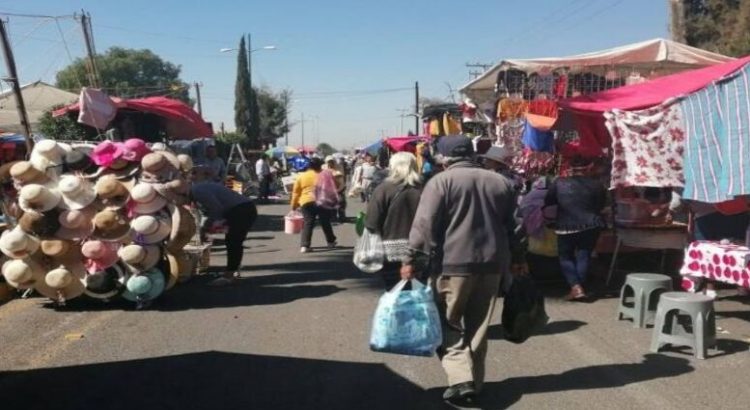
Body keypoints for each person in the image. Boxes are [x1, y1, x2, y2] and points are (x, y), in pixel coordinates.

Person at [400, 135, 522, 406]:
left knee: (447, 323)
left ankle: (460, 381)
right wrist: (518, 259)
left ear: (444, 157)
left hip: (451, 266)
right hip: (492, 266)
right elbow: (515, 227)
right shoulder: (501, 181)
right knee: (479, 327)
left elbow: (423, 225)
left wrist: (410, 259)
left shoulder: (440, 182)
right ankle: (475, 384)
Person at [544, 157, 606, 301]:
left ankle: (576, 287)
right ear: (589, 168)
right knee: (584, 255)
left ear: (570, 168)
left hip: (566, 225)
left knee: (565, 257)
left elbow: (549, 201)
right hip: (592, 224)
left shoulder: (559, 183)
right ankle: (579, 287)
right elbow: (601, 205)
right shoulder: (598, 185)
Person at [364, 152, 423, 289]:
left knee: (395, 291)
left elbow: (372, 222)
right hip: (420, 250)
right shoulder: (425, 188)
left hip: (390, 251)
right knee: (418, 291)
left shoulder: (384, 189)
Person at [191, 181, 258, 286]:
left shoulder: (197, 192)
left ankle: (229, 275)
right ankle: (234, 269)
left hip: (241, 210)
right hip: (242, 208)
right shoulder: (197, 188)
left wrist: (206, 227)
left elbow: (216, 209)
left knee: (233, 241)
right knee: (234, 241)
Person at [291, 157, 337, 253]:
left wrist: (294, 206)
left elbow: (296, 193)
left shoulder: (302, 176)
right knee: (325, 221)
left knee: (308, 222)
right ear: (320, 165)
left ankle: (305, 246)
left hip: (306, 201)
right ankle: (331, 242)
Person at [325, 156, 347, 222]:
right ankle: (333, 217)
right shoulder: (325, 169)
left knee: (341, 203)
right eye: (329, 162)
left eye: (331, 162)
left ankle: (342, 217)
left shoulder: (339, 168)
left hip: (340, 188)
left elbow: (342, 177)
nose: (330, 163)